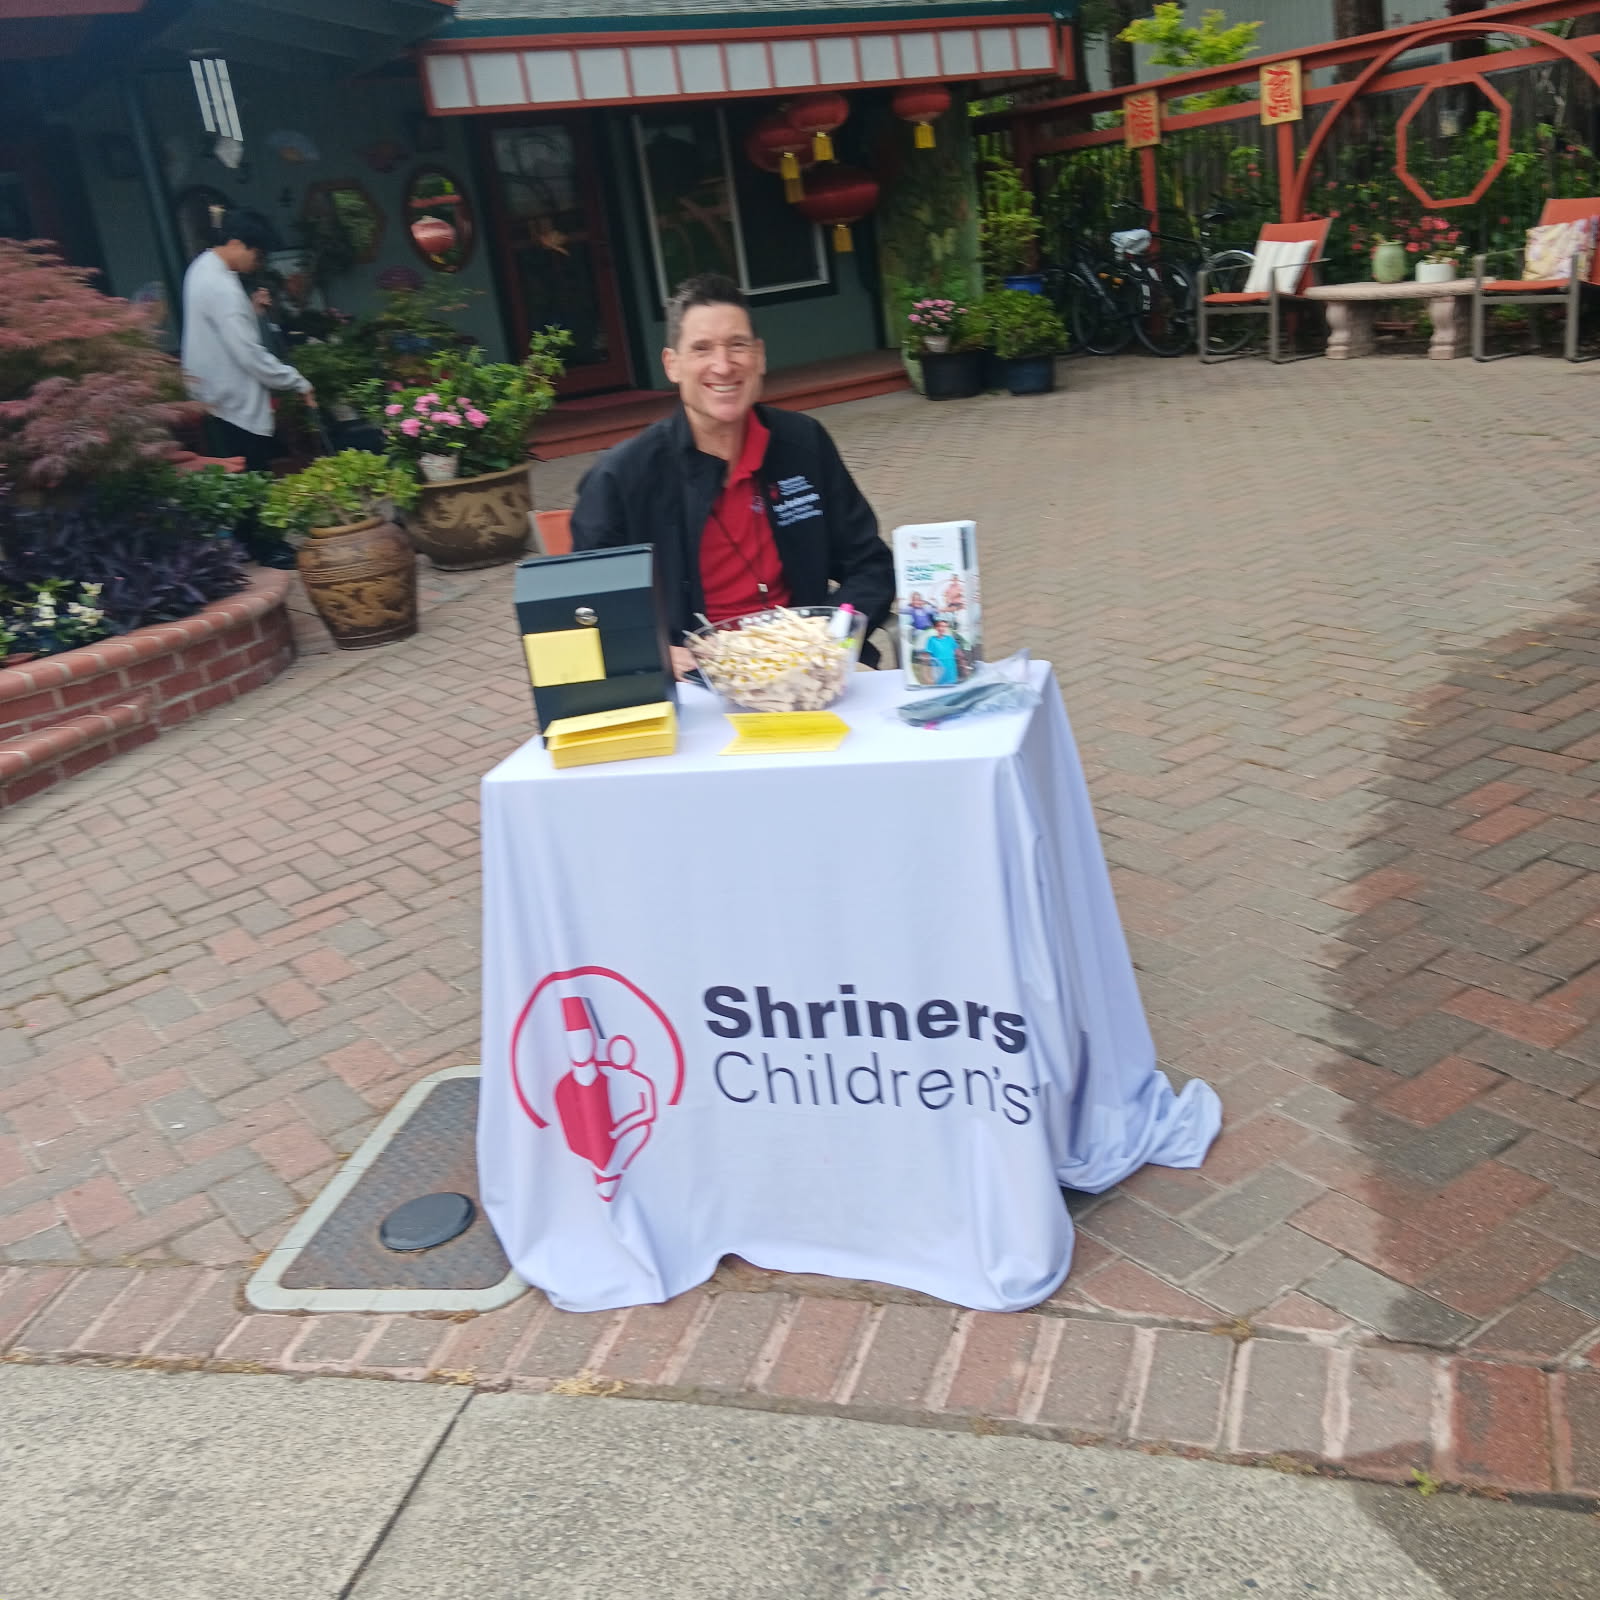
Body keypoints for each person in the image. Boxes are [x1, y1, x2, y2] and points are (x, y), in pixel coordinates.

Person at [570, 273, 893, 672]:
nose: (723, 366)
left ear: (760, 356)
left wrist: (829, 634)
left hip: (811, 667)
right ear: (672, 365)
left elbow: (871, 566)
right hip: (696, 682)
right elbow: (586, 613)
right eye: (701, 348)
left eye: (737, 345)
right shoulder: (622, 478)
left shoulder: (803, 445)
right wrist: (653, 655)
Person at [180, 210, 314, 475]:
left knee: (234, 485)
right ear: (237, 243)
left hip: (213, 398)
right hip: (235, 408)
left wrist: (250, 311)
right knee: (252, 482)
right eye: (258, 255)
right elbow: (249, 354)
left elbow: (222, 331)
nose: (258, 263)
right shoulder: (222, 287)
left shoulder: (200, 267)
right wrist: (297, 381)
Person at [924, 618, 962, 686]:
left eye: (944, 626)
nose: (942, 628)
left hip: (950, 667)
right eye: (940, 626)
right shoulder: (931, 640)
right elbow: (927, 656)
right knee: (939, 687)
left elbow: (958, 652)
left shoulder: (950, 639)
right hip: (938, 668)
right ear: (936, 628)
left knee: (951, 686)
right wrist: (927, 672)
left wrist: (962, 662)